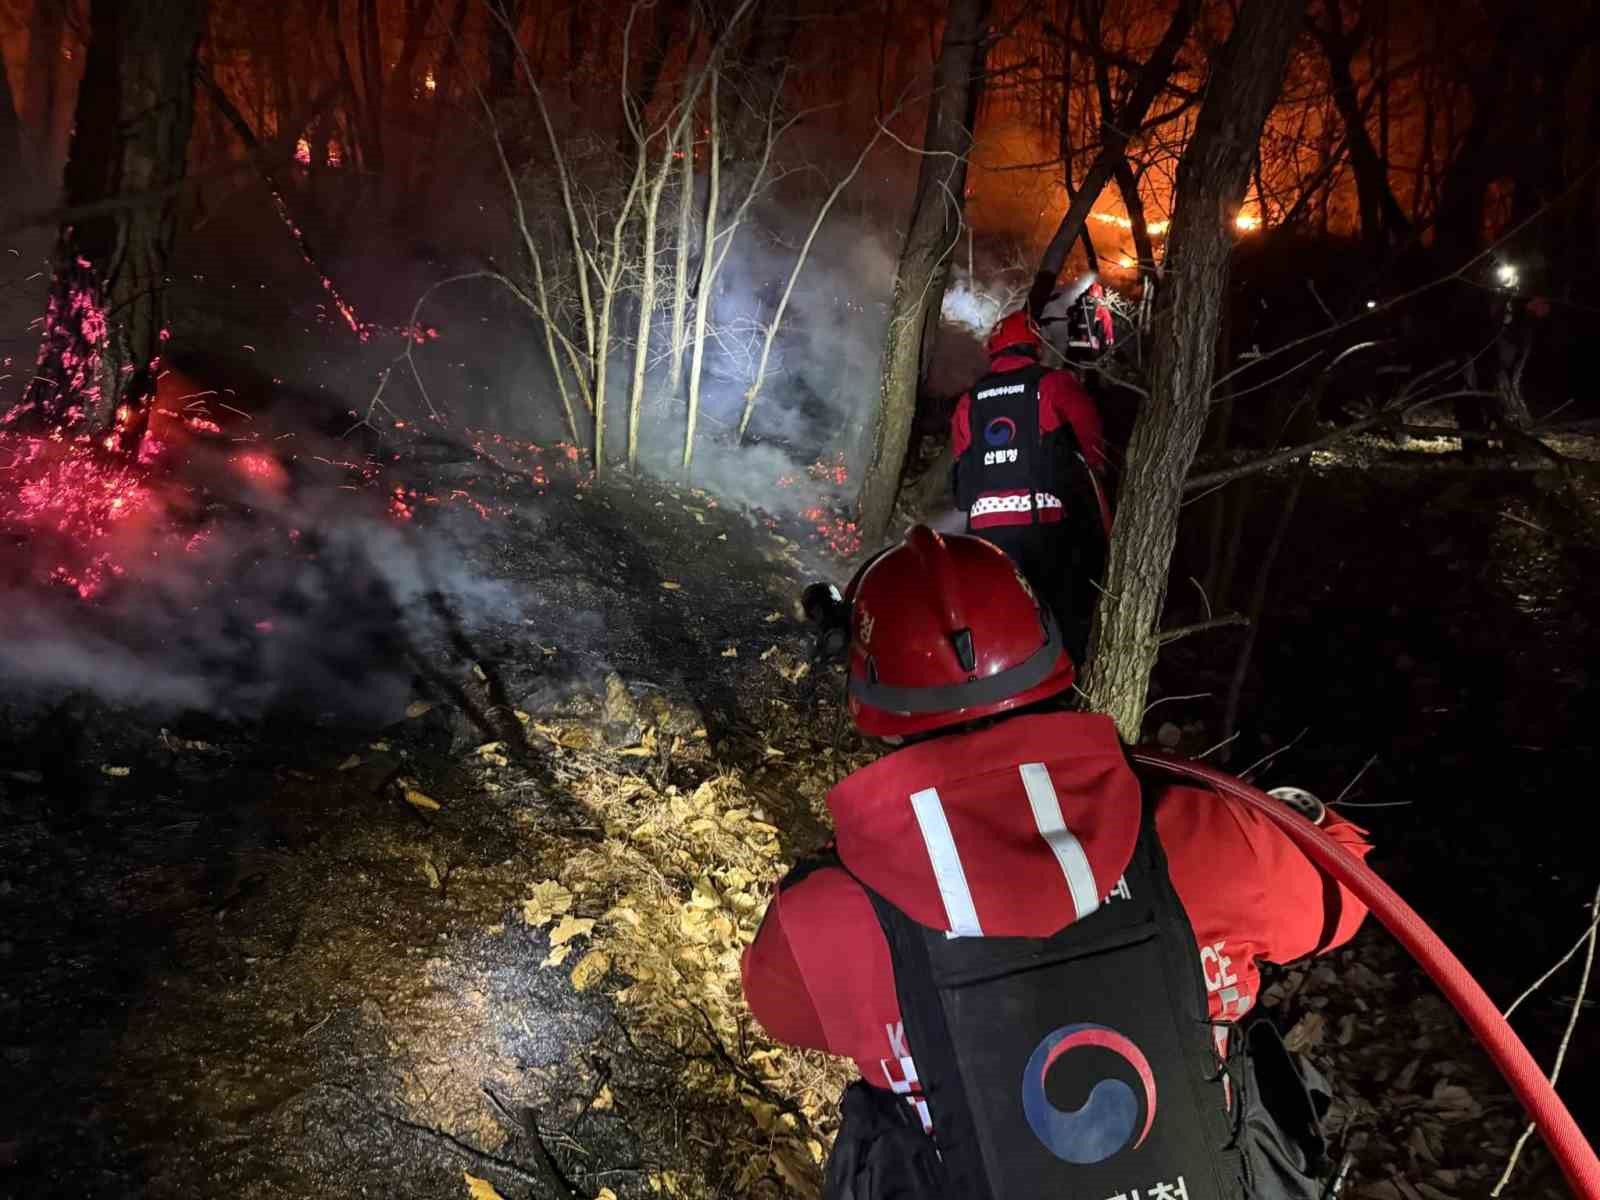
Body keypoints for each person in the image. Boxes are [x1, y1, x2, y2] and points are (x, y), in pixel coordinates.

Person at [744, 526, 1373, 1200]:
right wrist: (1286, 812)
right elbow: (1347, 893)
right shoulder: (1200, 838)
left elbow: (779, 1009)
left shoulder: (824, 916)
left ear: (869, 697)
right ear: (1047, 649)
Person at [950, 308, 1110, 661]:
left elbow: (962, 460)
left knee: (1002, 617)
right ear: (1033, 346)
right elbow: (1092, 445)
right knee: (1059, 614)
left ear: (994, 350)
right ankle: (1066, 682)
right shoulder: (1053, 384)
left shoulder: (969, 401)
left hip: (985, 533)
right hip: (1043, 526)